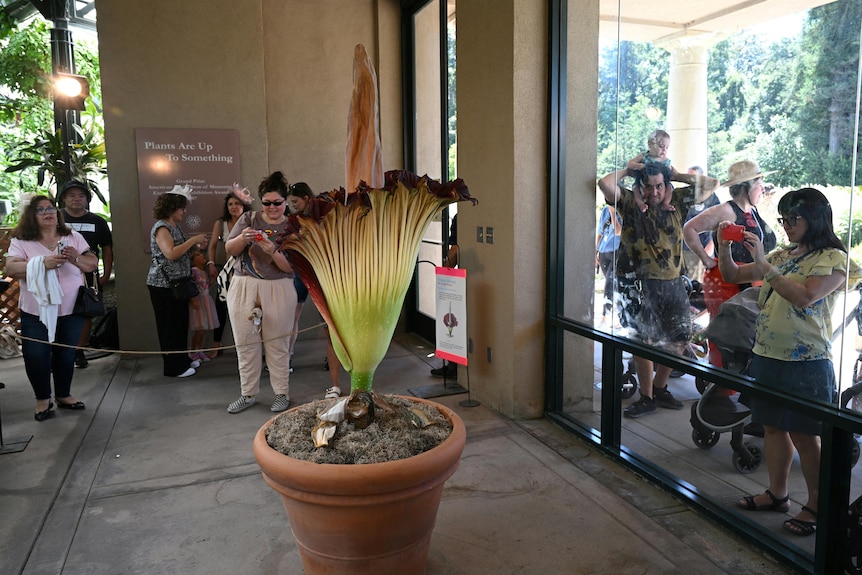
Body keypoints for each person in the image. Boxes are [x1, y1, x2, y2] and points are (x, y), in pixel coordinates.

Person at [720, 187, 860, 537]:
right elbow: (733, 275)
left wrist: (765, 264)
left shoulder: (834, 258)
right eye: (783, 219)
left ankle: (816, 505)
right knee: (771, 427)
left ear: (815, 217)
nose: (786, 225)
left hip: (806, 360)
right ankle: (778, 493)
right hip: (767, 354)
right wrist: (724, 246)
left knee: (805, 433)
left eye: (793, 219)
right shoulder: (784, 254)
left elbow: (806, 296)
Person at [597, 159, 718, 418]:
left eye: (660, 186)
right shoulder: (629, 204)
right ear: (640, 187)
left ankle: (661, 388)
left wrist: (677, 174)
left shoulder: (679, 204)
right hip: (639, 284)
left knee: (679, 339)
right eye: (649, 187)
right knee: (644, 342)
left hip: (673, 283)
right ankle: (646, 396)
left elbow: (712, 184)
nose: (655, 192)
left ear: (667, 186)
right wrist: (629, 171)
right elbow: (604, 183)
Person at [5, 195, 98, 421]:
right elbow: (10, 268)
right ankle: (42, 399)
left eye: (51, 208)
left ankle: (63, 395)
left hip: (70, 308)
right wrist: (40, 264)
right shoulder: (22, 240)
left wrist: (75, 258)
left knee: (66, 355)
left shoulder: (72, 236)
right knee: (36, 354)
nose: (48, 212)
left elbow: (92, 264)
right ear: (31, 216)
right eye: (40, 210)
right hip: (36, 312)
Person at [683, 160, 776, 368]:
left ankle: (732, 385)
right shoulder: (725, 210)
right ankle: (721, 387)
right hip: (727, 280)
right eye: (760, 182)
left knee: (746, 337)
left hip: (749, 279)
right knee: (726, 335)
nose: (762, 187)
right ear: (748, 186)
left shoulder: (752, 210)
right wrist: (706, 259)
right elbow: (689, 228)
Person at [224, 171, 296, 414]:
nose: (272, 207)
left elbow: (291, 267)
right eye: (267, 202)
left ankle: (281, 393)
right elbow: (230, 249)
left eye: (277, 202)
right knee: (245, 342)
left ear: (285, 201)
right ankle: (247, 393)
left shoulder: (293, 226)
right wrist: (244, 239)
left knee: (278, 343)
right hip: (244, 284)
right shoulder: (249, 219)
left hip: (279, 287)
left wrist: (272, 249)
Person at [285, 182, 343, 398]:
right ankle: (335, 383)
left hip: (330, 277)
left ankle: (341, 380)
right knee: (325, 328)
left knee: (334, 330)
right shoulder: (298, 221)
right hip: (308, 274)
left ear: (307, 199)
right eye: (291, 203)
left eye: (296, 202)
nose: (293, 206)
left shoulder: (325, 215)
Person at [146, 186, 208, 378]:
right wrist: (193, 240)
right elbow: (170, 253)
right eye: (181, 207)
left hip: (178, 283)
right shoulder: (161, 227)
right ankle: (173, 367)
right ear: (172, 207)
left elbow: (180, 251)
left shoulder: (175, 227)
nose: (184, 211)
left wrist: (194, 246)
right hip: (163, 285)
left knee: (180, 323)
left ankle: (182, 360)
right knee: (169, 326)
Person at [58, 180, 113, 368]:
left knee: (86, 313)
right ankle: (59, 351)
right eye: (71, 195)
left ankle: (79, 351)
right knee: (60, 313)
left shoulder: (98, 221)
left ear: (87, 200)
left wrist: (105, 274)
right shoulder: (57, 220)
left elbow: (107, 248)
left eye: (81, 195)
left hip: (89, 274)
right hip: (60, 274)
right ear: (63, 198)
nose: (76, 199)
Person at [206, 188, 251, 357]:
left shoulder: (251, 220)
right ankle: (216, 343)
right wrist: (211, 264)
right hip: (227, 272)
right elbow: (212, 246)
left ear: (244, 205)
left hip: (248, 271)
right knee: (221, 306)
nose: (233, 207)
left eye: (237, 203)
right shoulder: (221, 223)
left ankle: (250, 344)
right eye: (230, 204)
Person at [430, 213, 459, 379]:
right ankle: (453, 365)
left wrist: (445, 274)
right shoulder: (461, 217)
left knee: (452, 321)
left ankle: (452, 366)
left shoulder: (458, 218)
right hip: (465, 280)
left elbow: (454, 251)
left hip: (456, 282)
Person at [680, 166, 719, 283]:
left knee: (697, 283)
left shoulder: (711, 198)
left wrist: (710, 246)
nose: (690, 180)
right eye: (688, 177)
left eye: (693, 178)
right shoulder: (683, 195)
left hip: (702, 247)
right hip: (683, 248)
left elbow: (719, 223)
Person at [631, 129, 681, 213]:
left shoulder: (666, 160)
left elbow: (669, 175)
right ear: (650, 145)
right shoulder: (644, 156)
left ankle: (665, 203)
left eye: (667, 147)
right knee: (635, 187)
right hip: (642, 181)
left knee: (669, 187)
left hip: (662, 183)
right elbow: (630, 163)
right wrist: (638, 166)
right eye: (661, 146)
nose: (664, 150)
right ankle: (640, 204)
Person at [188, 248, 219, 363]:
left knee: (204, 329)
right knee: (199, 329)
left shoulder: (204, 272)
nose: (202, 256)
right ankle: (193, 352)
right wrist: (192, 299)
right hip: (199, 301)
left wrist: (213, 279)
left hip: (206, 301)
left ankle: (200, 350)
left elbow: (206, 286)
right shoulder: (194, 272)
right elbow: (193, 286)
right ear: (193, 261)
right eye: (198, 255)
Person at [595, 204, 622, 326]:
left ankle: (605, 316)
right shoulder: (605, 210)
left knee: (610, 284)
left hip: (617, 252)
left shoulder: (623, 209)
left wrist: (613, 211)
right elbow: (600, 232)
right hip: (604, 252)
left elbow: (618, 230)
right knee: (611, 284)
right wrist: (595, 252)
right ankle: (614, 314)